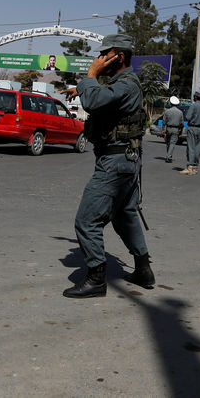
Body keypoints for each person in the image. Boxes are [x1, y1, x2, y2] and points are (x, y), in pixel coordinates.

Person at [60, 34, 153, 298]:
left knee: (87, 220)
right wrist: (81, 88)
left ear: (119, 56)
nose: (99, 59)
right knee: (124, 216)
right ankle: (143, 269)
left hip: (115, 162)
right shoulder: (121, 84)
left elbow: (95, 101)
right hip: (125, 160)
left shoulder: (127, 84)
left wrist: (89, 75)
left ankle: (96, 278)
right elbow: (103, 97)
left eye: (105, 54)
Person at [180, 91, 200, 175]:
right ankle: (195, 167)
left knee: (191, 147)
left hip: (193, 128)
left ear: (196, 97)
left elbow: (188, 117)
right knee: (198, 148)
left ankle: (190, 167)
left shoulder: (193, 105)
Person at [162, 96, 184, 163]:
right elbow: (182, 124)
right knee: (172, 143)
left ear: (170, 103)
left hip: (168, 129)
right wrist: (181, 132)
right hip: (176, 129)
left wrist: (163, 130)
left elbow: (164, 122)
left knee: (168, 143)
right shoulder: (180, 112)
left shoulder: (167, 111)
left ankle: (169, 156)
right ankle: (169, 156)